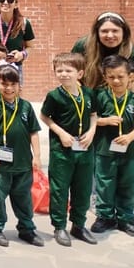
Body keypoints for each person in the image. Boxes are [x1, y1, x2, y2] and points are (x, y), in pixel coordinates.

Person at [39, 52, 98, 247]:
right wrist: (60, 133)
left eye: (68, 70)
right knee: (60, 188)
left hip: (84, 148)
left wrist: (91, 131)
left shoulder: (89, 93)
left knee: (83, 188)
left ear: (79, 73)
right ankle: (59, 226)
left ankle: (79, 225)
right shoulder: (54, 96)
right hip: (62, 151)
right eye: (59, 70)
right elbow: (45, 117)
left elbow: (94, 114)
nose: (63, 74)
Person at [0, 63, 44, 247]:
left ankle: (26, 229)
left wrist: (37, 156)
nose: (8, 88)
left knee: (23, 197)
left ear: (19, 85)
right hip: (1, 164)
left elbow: (34, 132)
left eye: (13, 84)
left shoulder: (25, 107)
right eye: (4, 84)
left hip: (23, 163)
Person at [91, 55, 134, 237]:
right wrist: (104, 121)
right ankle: (105, 216)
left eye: (120, 76)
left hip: (130, 152)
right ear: (105, 76)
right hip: (104, 150)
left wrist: (130, 136)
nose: (116, 80)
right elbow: (89, 120)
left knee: (128, 184)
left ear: (129, 76)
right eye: (111, 76)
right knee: (104, 184)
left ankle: (125, 217)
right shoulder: (99, 97)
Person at [72, 11, 134, 89]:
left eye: (115, 31)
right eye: (104, 31)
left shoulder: (131, 51)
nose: (110, 35)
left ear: (124, 32)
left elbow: (133, 80)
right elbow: (71, 71)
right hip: (87, 91)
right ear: (97, 32)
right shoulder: (83, 45)